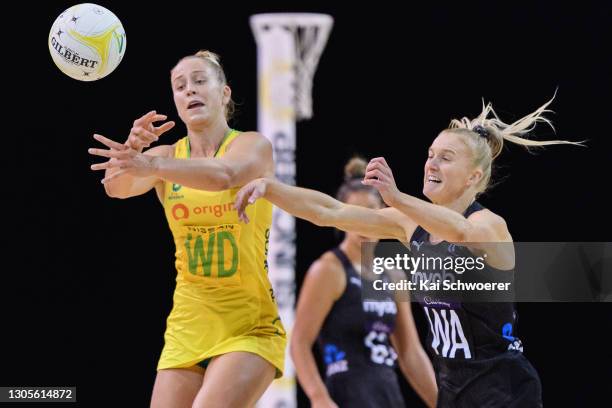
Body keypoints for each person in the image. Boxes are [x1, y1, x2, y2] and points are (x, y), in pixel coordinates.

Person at [234, 95, 583, 407]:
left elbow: (459, 231)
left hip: (503, 388)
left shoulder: (491, 225)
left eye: (445, 158)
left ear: (473, 177)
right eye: (430, 154)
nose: (431, 163)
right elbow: (330, 212)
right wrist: (270, 188)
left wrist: (397, 197)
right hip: (452, 388)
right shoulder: (408, 224)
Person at [88, 50, 286, 408]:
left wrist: (150, 162)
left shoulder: (252, 145)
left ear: (224, 93)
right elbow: (115, 188)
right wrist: (133, 149)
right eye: (180, 86)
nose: (189, 90)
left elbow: (224, 175)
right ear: (175, 102)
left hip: (249, 324)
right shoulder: (167, 156)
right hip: (188, 322)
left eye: (199, 81)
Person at [291, 157, 437, 408]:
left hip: (388, 397)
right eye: (353, 214)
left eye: (369, 212)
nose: (361, 221)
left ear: (382, 214)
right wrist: (318, 397)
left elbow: (410, 352)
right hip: (344, 397)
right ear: (341, 218)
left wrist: (442, 402)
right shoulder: (329, 270)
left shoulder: (393, 275)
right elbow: (299, 343)